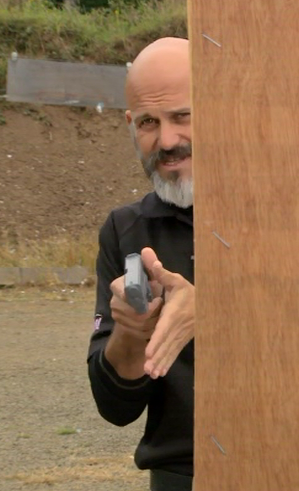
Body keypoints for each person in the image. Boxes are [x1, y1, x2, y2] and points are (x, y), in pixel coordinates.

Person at [86, 36, 197, 491]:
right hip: (179, 477)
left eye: (184, 116)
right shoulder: (124, 230)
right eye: (150, 121)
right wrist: (131, 334)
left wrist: (218, 307)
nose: (167, 140)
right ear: (131, 125)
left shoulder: (293, 212)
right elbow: (116, 409)